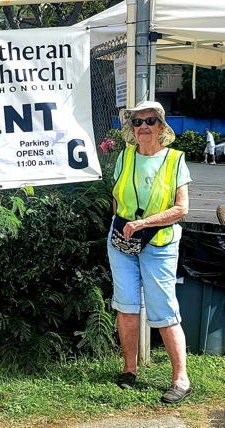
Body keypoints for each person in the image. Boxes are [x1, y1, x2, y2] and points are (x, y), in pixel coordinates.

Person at [108, 101, 192, 404]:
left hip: (159, 241)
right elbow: (116, 198)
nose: (144, 126)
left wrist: (143, 223)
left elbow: (182, 209)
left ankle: (181, 379)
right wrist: (122, 225)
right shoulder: (125, 157)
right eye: (137, 122)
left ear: (161, 126)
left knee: (163, 309)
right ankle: (129, 369)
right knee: (126, 304)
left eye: (151, 121)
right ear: (132, 129)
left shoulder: (174, 159)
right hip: (123, 239)